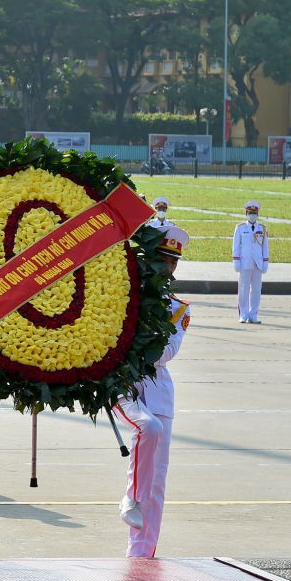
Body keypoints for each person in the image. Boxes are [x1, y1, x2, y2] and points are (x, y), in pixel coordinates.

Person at [114, 225, 191, 558]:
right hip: (124, 383)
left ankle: (141, 553)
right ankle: (130, 496)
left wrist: (140, 335)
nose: (167, 268)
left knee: (157, 480)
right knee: (148, 429)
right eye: (162, 259)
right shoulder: (124, 293)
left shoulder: (178, 308)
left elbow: (165, 353)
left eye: (172, 262)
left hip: (157, 388)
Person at [233, 200, 270, 324]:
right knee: (243, 289)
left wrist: (265, 262)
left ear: (258, 214)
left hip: (258, 263)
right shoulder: (240, 228)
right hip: (244, 262)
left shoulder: (263, 228)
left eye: (254, 213)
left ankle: (253, 314)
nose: (252, 215)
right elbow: (236, 246)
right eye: (250, 212)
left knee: (256, 289)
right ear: (246, 213)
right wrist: (236, 260)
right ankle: (243, 314)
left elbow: (265, 247)